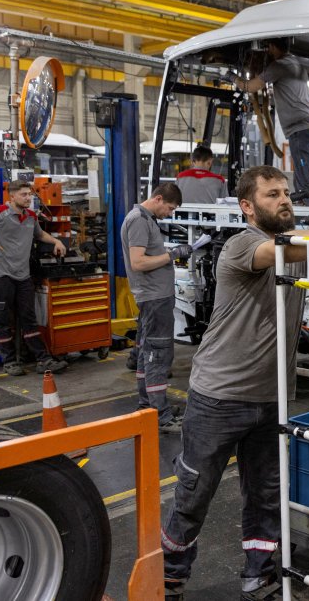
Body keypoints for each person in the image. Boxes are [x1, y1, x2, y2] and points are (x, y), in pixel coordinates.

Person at [161, 166, 309, 600]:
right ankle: (169, 577)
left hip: (270, 398)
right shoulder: (243, 245)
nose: (283, 200)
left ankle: (258, 574)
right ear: (248, 206)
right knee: (194, 494)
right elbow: (280, 251)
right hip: (218, 398)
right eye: (271, 195)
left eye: (285, 193)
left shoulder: (296, 246)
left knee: (265, 496)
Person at [0, 180, 69, 377]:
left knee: (29, 318)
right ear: (12, 196)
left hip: (23, 275)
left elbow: (39, 234)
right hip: (1, 274)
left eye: (30, 194)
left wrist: (55, 240)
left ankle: (42, 359)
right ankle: (9, 361)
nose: (28, 198)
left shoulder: (30, 216)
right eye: (24, 195)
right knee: (3, 319)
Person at [122, 183, 190, 434]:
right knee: (158, 355)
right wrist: (172, 255)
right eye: (170, 208)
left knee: (146, 353)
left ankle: (148, 406)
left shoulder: (145, 219)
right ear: (158, 198)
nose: (170, 213)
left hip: (155, 296)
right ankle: (160, 415)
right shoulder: (139, 220)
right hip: (154, 298)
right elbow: (138, 262)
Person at [235, 38, 309, 205]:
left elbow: (251, 87)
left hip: (301, 129)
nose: (268, 51)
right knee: (302, 175)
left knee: (304, 178)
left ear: (274, 47)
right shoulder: (296, 63)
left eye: (269, 47)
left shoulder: (279, 66)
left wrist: (233, 78)